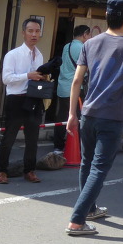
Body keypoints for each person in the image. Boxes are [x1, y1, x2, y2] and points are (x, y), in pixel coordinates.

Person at [65, 0, 123, 235]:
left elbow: (77, 80)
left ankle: (90, 209)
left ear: (107, 15)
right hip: (112, 116)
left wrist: (72, 114)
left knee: (87, 164)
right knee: (99, 168)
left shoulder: (90, 44)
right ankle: (77, 220)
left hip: (88, 113)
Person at [0, 18, 47, 183]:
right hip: (16, 99)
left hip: (34, 98)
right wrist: (28, 75)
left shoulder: (39, 55)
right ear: (23, 33)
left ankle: (29, 170)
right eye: (30, 31)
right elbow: (6, 78)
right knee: (9, 137)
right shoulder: (13, 55)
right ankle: (2, 171)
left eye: (37, 31)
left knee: (32, 138)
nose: (34, 34)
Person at [47, 25, 90, 155]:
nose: (89, 38)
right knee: (78, 118)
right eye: (89, 35)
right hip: (75, 89)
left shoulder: (67, 46)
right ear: (85, 34)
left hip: (62, 86)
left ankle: (58, 146)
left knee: (62, 117)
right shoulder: (82, 48)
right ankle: (76, 147)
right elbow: (87, 67)